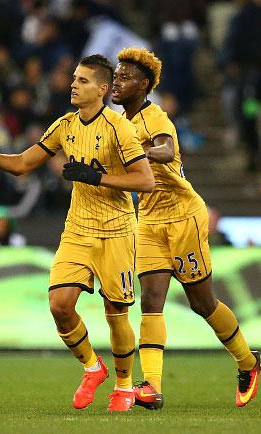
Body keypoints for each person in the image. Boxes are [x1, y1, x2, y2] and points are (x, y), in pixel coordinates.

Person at [0, 54, 155, 412]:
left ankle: (123, 386)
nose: (73, 84)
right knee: (59, 304)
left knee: (116, 311)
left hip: (117, 230)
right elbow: (23, 164)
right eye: (74, 78)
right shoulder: (64, 125)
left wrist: (96, 177)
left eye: (83, 80)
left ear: (103, 89)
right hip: (78, 229)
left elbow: (145, 181)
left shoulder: (120, 128)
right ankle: (92, 366)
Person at [112, 47, 260, 409]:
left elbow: (165, 149)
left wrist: (138, 153)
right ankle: (153, 387)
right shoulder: (117, 124)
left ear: (144, 85)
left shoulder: (154, 117)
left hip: (183, 217)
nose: (117, 81)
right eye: (115, 75)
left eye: (125, 77)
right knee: (150, 300)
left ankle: (248, 363)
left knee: (202, 302)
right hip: (147, 219)